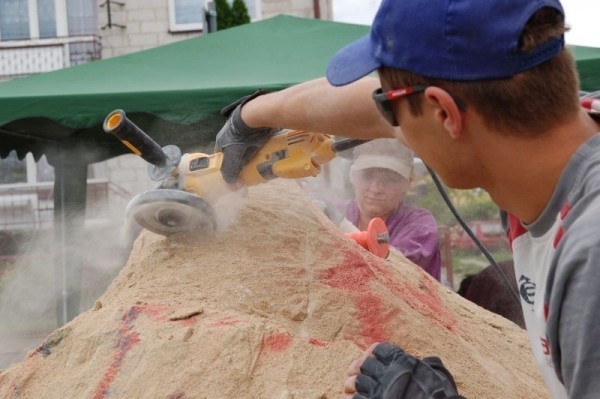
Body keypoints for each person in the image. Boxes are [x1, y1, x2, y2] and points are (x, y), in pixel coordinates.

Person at [214, 0, 600, 397]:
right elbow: (403, 105)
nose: (385, 123)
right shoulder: (552, 129)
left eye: (390, 109)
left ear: (445, 114)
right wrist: (251, 116)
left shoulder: (591, 258)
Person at [345, 138, 441, 280]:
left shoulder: (420, 225)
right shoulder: (332, 211)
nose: (376, 188)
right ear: (353, 176)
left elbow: (391, 271)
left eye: (389, 179)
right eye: (367, 176)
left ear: (408, 183)